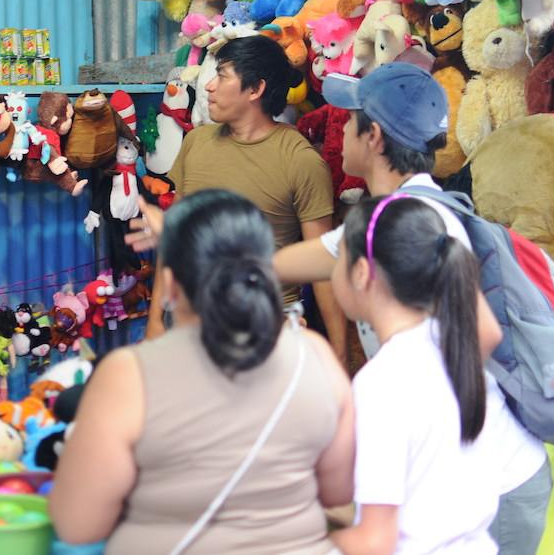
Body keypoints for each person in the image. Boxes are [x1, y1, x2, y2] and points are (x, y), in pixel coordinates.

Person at [274, 63, 551, 555]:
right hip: (479, 482)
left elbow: (483, 335)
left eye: (351, 118)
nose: (343, 127)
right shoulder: (397, 217)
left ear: (373, 136)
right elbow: (292, 264)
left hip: (493, 486)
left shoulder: (419, 221)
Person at [50, 190, 355, 554]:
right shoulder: (314, 354)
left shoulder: (129, 375)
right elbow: (339, 490)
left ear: (171, 284)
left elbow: (78, 524)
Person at [141, 35, 345, 361]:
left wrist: (338, 362)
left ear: (255, 89)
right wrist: (154, 321)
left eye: (222, 75)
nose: (208, 86)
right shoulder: (197, 143)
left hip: (261, 335)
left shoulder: (300, 160)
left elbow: (324, 270)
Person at [331, 196, 497, 553]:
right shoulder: (453, 344)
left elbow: (374, 542)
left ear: (361, 272)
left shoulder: (382, 383)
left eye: (339, 256)